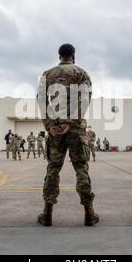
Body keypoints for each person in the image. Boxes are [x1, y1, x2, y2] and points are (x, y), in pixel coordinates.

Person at [37, 43, 99, 227]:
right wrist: (71, 123)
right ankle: (89, 213)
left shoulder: (47, 74)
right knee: (81, 169)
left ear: (59, 55)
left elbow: (41, 99)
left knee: (53, 169)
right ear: (73, 55)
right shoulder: (81, 73)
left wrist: (49, 125)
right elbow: (85, 99)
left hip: (55, 129)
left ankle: (47, 214)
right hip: (75, 129)